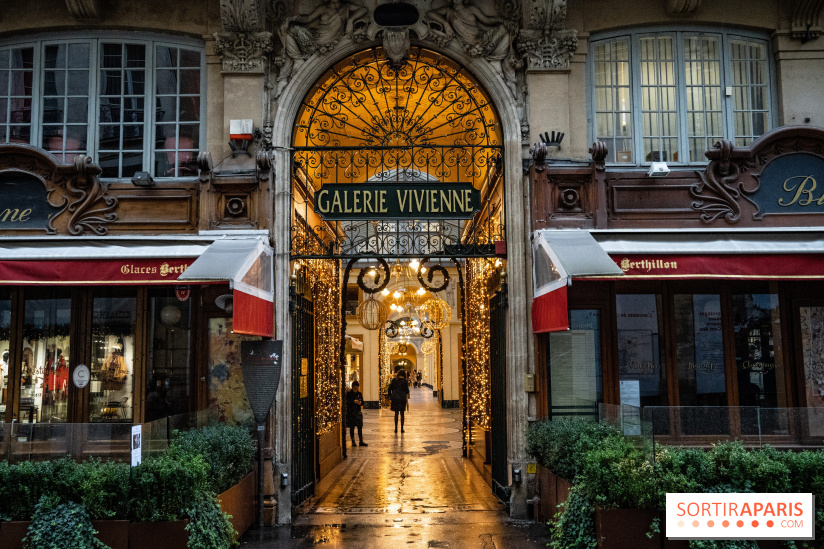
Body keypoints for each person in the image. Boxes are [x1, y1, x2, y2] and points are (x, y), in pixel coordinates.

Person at [345, 381, 367, 447]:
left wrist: (360, 403)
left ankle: (361, 441)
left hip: (358, 413)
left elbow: (363, 402)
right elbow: (347, 402)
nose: (356, 390)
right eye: (354, 388)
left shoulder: (359, 394)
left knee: (359, 427)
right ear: (352, 387)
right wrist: (353, 401)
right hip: (351, 413)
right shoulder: (349, 394)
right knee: (352, 427)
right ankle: (353, 441)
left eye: (357, 388)